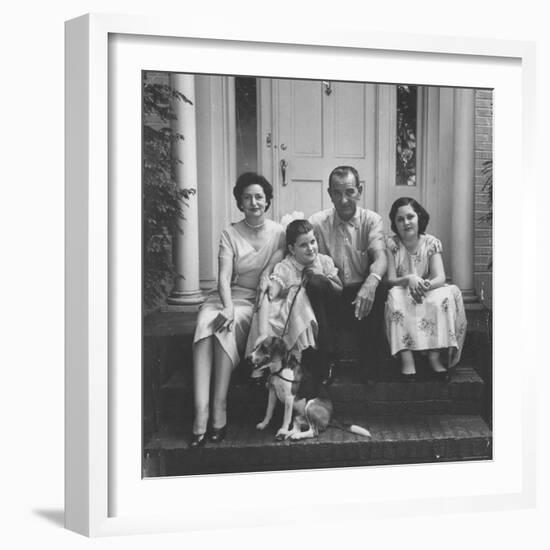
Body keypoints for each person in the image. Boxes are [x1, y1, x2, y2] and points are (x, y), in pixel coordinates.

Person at [190, 173, 285, 447]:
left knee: (224, 328)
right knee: (207, 321)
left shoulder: (279, 232)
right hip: (232, 296)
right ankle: (200, 412)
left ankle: (219, 409)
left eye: (259, 197)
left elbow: (282, 265)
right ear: (239, 202)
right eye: (247, 197)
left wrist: (267, 276)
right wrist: (228, 306)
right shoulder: (230, 233)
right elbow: (223, 277)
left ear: (267, 201)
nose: (253, 202)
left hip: (259, 302)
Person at [308, 166, 387, 382]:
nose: (344, 200)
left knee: (381, 283)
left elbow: (380, 256)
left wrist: (371, 283)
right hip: (332, 293)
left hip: (361, 296)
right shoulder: (316, 223)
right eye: (337, 192)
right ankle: (326, 359)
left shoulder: (372, 220)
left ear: (359, 191)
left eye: (350, 192)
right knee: (313, 282)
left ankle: (370, 363)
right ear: (329, 194)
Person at [248, 219, 342, 381]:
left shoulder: (324, 261)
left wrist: (321, 276)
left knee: (304, 293)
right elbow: (271, 293)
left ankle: (317, 358)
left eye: (313, 242)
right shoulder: (287, 267)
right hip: (300, 317)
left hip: (325, 314)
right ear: (291, 249)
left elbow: (340, 290)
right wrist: (263, 332)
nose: (310, 248)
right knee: (297, 296)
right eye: (303, 245)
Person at [384, 197, 467, 380]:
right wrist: (409, 278)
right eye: (400, 219)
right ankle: (407, 359)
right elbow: (391, 280)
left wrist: (424, 284)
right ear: (394, 223)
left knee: (443, 296)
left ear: (419, 218)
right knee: (395, 297)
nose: (406, 222)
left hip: (427, 288)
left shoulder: (431, 243)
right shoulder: (392, 245)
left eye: (410, 217)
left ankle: (434, 356)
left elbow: (440, 277)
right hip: (403, 288)